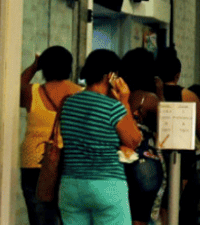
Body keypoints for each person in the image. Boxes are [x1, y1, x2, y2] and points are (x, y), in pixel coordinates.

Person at [58, 49, 143, 225]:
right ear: (111, 76)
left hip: (71, 185)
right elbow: (133, 140)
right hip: (107, 185)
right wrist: (124, 101)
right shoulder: (113, 107)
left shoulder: (68, 103)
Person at [19, 46, 82, 225]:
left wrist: (34, 66)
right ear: (69, 67)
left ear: (44, 67)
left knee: (39, 217)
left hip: (35, 161)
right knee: (67, 217)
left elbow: (13, 89)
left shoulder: (31, 92)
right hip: (68, 161)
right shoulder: (81, 94)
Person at [157, 54, 200, 225]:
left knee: (158, 203)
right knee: (172, 202)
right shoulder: (188, 96)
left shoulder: (151, 94)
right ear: (177, 75)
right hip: (182, 157)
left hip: (156, 153)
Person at [120, 48, 164, 225]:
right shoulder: (149, 98)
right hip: (145, 162)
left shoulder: (117, 95)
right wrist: (160, 93)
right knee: (140, 217)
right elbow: (166, 126)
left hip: (119, 159)